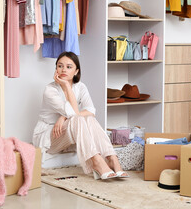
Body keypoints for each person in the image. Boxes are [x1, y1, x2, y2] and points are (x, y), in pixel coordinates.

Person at [33, 51, 128, 180]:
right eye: (60, 66)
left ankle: (112, 158)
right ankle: (97, 162)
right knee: (78, 118)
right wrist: (66, 86)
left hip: (69, 132)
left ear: (76, 71)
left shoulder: (81, 87)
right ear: (56, 69)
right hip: (50, 137)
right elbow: (73, 113)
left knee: (88, 118)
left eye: (68, 67)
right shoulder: (50, 90)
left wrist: (63, 117)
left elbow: (91, 111)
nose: (63, 70)